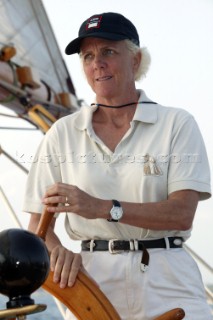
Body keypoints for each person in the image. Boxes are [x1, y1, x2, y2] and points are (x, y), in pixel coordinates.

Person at [23, 12, 212, 320]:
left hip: (167, 278)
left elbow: (182, 212)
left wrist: (102, 207)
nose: (97, 63)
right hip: (90, 279)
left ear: (136, 60)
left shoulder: (177, 124)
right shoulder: (62, 133)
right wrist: (57, 251)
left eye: (108, 52)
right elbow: (37, 227)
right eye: (88, 56)